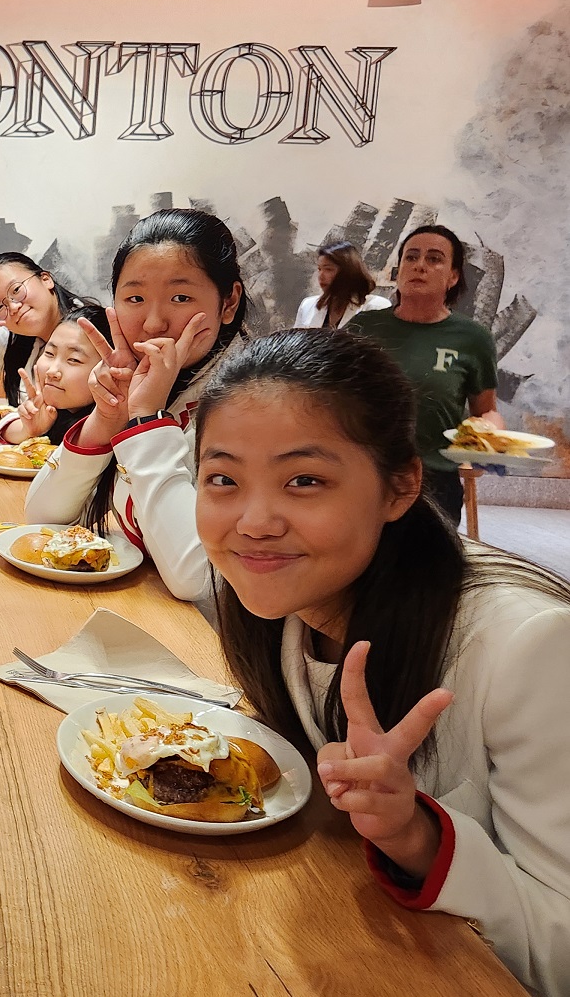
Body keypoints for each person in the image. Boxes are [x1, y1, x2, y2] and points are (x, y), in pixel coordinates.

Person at [193, 328, 570, 996]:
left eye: (304, 480)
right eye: (223, 479)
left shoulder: (527, 645)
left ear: (401, 487)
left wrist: (418, 837)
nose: (254, 520)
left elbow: (560, 949)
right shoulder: (280, 601)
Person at [24, 209, 247, 603]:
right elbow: (44, 517)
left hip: (205, 632)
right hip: (137, 608)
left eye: (180, 297)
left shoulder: (250, 403)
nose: (154, 323)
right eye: (135, 298)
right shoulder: (149, 382)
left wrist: (146, 419)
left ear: (228, 302)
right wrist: (107, 417)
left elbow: (198, 579)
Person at [349, 225, 501, 527]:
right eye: (411, 257)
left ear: (453, 277)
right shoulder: (364, 327)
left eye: (434, 259)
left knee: (427, 557)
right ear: (398, 271)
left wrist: (488, 440)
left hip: (436, 481)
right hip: (363, 472)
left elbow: (486, 412)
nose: (420, 265)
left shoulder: (473, 338)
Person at [0, 253, 91, 406]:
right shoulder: (17, 340)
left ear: (46, 280)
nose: (13, 307)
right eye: (0, 307)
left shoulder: (93, 328)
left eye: (16, 290)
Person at [0, 304, 108, 447]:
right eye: (49, 353)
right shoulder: (51, 408)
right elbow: (5, 428)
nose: (52, 371)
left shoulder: (108, 426)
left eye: (74, 359)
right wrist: (28, 430)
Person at [293, 241, 391, 329]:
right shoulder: (307, 305)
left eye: (328, 269)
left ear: (348, 272)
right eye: (319, 269)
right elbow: (295, 342)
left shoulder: (376, 307)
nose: (321, 276)